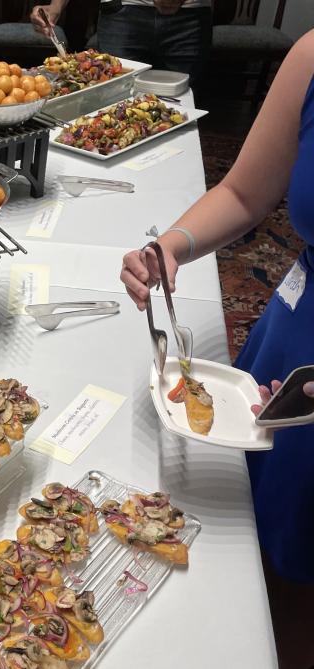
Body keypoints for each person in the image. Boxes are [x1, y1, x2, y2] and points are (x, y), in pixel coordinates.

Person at [120, 31, 314, 669]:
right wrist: (172, 245)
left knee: (298, 584)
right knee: (242, 550)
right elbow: (243, 194)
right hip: (293, 344)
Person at [31, 0, 212, 86]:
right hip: (121, 13)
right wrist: (55, 6)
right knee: (112, 99)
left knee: (182, 104)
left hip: (190, 15)